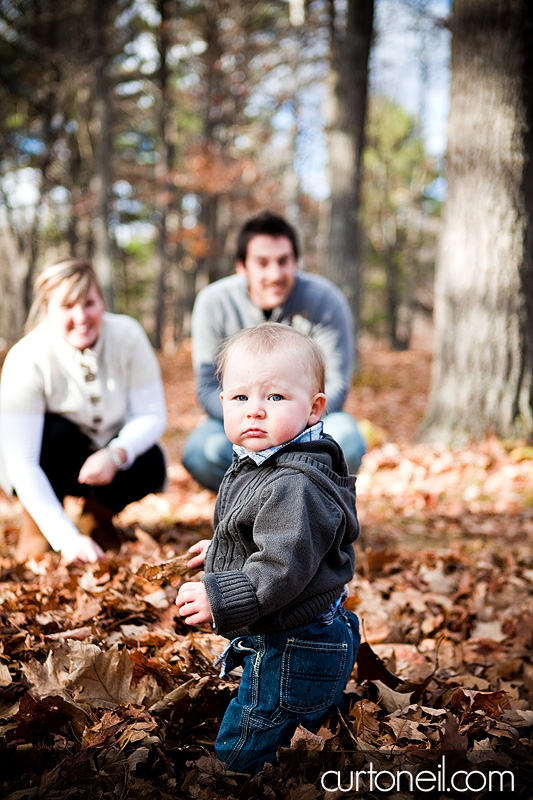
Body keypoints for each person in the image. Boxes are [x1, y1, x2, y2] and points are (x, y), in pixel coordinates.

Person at [176, 323, 360, 774]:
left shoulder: (296, 483)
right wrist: (222, 547)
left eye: (274, 398)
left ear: (315, 408)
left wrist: (220, 595)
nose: (254, 411)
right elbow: (264, 530)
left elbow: (282, 564)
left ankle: (237, 775)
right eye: (240, 398)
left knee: (248, 740)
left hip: (298, 644)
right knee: (287, 714)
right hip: (300, 630)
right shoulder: (267, 459)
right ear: (222, 403)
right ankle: (313, 714)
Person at [182, 210, 366, 492]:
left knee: (347, 442)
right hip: (238, 419)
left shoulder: (325, 300)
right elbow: (207, 387)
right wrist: (253, 422)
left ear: (296, 262)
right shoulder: (213, 302)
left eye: (283, 261)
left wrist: (285, 426)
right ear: (242, 266)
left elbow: (336, 386)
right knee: (200, 452)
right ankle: (243, 511)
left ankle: (317, 513)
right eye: (262, 263)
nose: (275, 274)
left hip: (308, 420)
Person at [0, 258, 167, 564]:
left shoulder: (127, 335)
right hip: (53, 456)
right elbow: (21, 462)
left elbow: (152, 414)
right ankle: (38, 524)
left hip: (106, 456)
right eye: (67, 306)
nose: (81, 317)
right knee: (54, 434)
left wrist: (117, 453)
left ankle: (96, 517)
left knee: (150, 460)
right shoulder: (25, 358)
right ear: (47, 309)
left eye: (89, 303)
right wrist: (65, 538)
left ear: (102, 301)